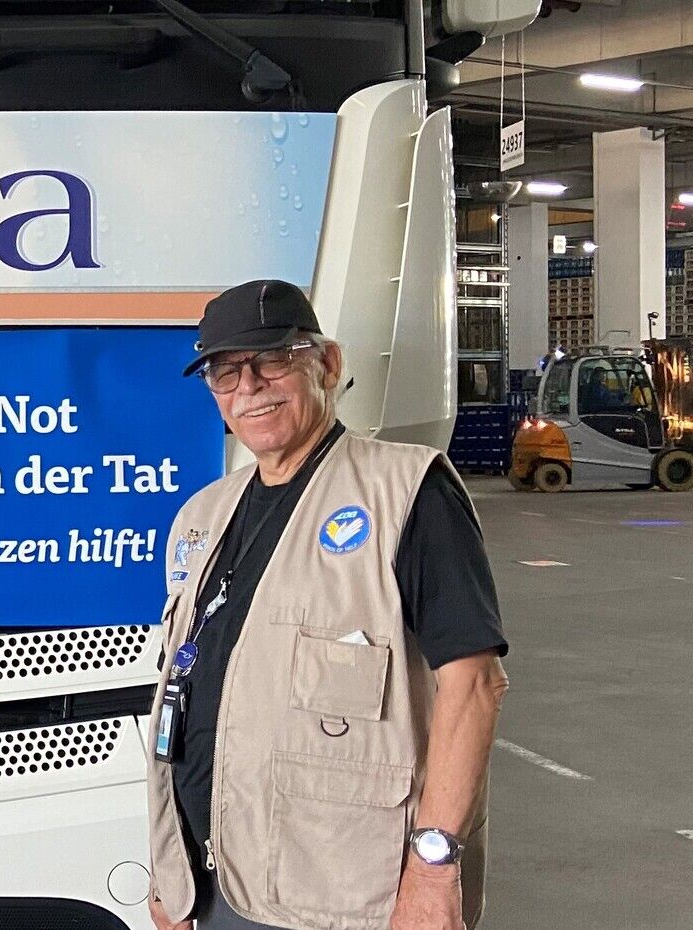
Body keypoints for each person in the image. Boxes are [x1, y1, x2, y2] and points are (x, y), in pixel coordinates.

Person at [145, 281, 510, 930]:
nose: (250, 386)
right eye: (225, 372)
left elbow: (474, 684)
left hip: (348, 899)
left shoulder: (405, 491)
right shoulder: (203, 517)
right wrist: (169, 872)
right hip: (216, 889)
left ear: (329, 364)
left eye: (273, 359)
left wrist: (434, 870)